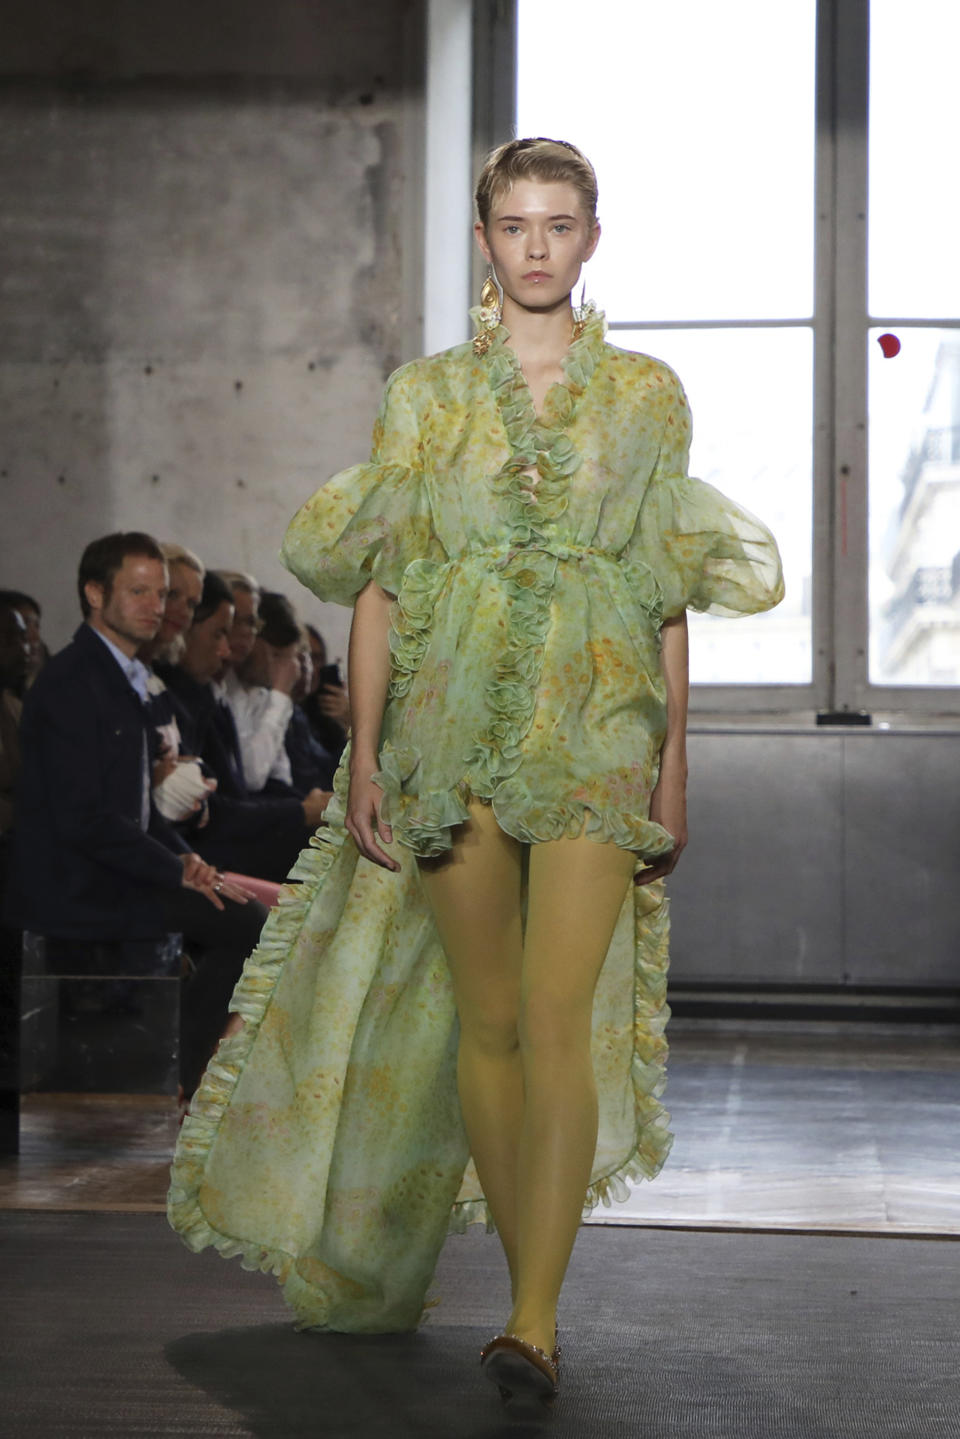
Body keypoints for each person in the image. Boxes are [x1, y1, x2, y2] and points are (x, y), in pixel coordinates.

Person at [168, 139, 783, 1418]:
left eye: (561, 224)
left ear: (593, 238)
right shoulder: (426, 397)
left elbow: (666, 594)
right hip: (447, 734)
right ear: (488, 239)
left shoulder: (648, 398)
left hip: (598, 732)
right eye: (517, 224)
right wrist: (368, 760)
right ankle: (530, 1288)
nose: (539, 246)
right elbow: (384, 587)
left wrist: (678, 768)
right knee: (488, 1021)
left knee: (557, 1016)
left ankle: (533, 1317)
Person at [6, 533, 268, 1099]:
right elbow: (86, 820)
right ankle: (189, 1079)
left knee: (243, 911)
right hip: (73, 886)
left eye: (163, 593)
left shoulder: (122, 678)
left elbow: (138, 811)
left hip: (111, 870)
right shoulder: (74, 682)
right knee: (243, 923)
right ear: (95, 594)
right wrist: (177, 870)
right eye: (139, 591)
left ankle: (189, 1074)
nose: (157, 606)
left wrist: (188, 859)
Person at [157, 573, 330, 880]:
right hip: (202, 851)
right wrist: (301, 811)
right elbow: (238, 790)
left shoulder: (213, 694)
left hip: (220, 840)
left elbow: (262, 785)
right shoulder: (184, 694)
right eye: (241, 624)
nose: (233, 644)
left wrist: (306, 805)